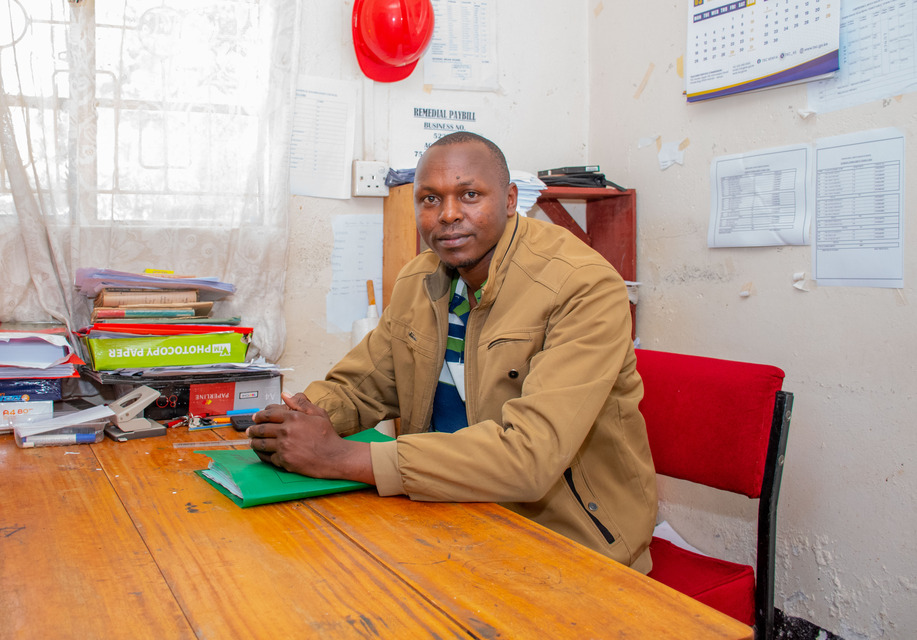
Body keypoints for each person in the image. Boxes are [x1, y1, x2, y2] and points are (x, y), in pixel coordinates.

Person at [248, 132, 658, 571]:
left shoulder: (583, 286)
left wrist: (341, 457)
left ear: (510, 199)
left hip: (570, 544)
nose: (447, 215)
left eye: (469, 195)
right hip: (449, 516)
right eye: (429, 199)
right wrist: (296, 419)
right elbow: (363, 386)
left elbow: (529, 458)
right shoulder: (420, 278)